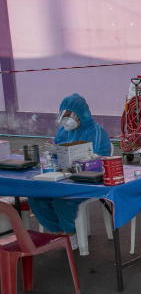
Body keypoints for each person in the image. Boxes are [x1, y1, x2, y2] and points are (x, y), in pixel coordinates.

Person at [28, 94, 112, 240]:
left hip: (85, 181)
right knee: (36, 197)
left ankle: (71, 234)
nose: (67, 119)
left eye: (70, 115)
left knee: (62, 201)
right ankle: (60, 232)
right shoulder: (62, 131)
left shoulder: (95, 131)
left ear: (81, 114)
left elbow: (100, 158)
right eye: (64, 115)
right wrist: (53, 153)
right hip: (63, 177)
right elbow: (56, 156)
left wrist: (81, 158)